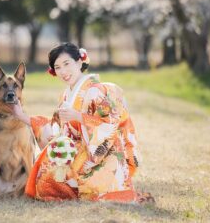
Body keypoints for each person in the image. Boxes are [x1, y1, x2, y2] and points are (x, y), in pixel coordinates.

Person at [12, 42, 142, 203]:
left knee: (64, 179)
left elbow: (109, 122)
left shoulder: (96, 90)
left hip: (101, 153)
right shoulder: (65, 95)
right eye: (57, 67)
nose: (63, 71)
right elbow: (56, 128)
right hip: (77, 148)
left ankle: (85, 185)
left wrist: (79, 117)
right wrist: (22, 116)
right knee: (46, 171)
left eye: (67, 64)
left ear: (80, 62)